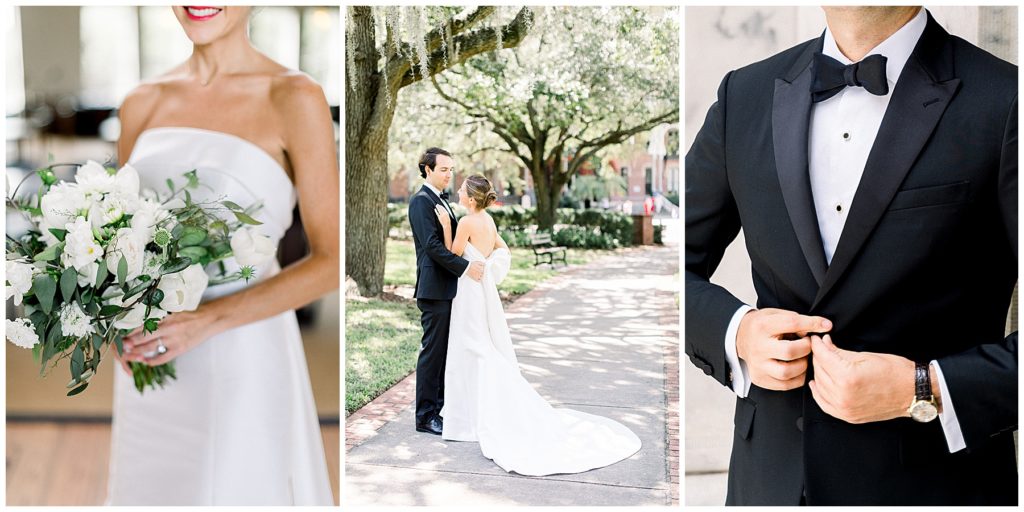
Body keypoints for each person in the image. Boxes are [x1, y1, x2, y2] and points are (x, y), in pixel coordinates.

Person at [685, 6, 1016, 505]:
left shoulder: (1007, 100)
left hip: (936, 486)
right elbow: (671, 268)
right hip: (768, 486)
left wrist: (925, 387)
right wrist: (737, 333)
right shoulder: (743, 95)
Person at [106, 6, 338, 505]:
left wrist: (205, 321)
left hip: (244, 356)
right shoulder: (141, 102)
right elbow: (116, 236)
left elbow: (331, 260)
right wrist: (108, 319)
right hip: (150, 360)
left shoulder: (295, 96)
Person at [434, 174, 641, 475]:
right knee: (479, 344)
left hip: (468, 290)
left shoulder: (466, 222)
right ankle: (472, 412)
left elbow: (451, 255)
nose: (458, 191)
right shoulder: (489, 222)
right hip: (482, 290)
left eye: (462, 189)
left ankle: (470, 416)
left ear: (471, 197)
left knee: (472, 347)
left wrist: (444, 227)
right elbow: (501, 251)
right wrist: (486, 265)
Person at [406, 147, 485, 435]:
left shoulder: (441, 200)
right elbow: (433, 247)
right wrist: (466, 267)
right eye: (443, 169)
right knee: (433, 353)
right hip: (434, 289)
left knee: (444, 353)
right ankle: (426, 416)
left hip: (449, 288)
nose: (449, 175)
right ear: (427, 169)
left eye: (451, 169)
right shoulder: (420, 202)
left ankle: (439, 409)